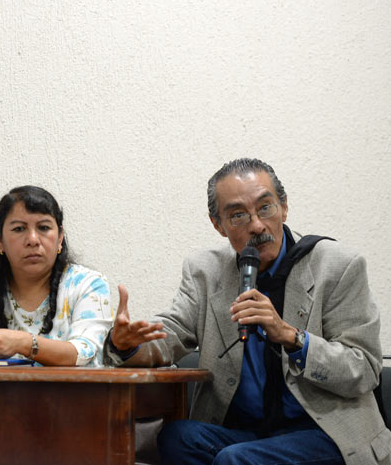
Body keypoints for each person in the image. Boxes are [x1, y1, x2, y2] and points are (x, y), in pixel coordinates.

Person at [104, 158, 390, 464]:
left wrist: (293, 338)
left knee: (235, 460)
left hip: (325, 433)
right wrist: (127, 344)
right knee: (177, 438)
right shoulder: (206, 270)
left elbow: (364, 368)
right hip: (251, 433)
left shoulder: (338, 266)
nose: (256, 225)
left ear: (284, 207)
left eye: (265, 207)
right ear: (218, 225)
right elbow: (173, 331)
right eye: (238, 215)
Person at [0, 185, 112, 366]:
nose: (32, 240)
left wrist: (24, 343)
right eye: (18, 229)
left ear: (60, 238)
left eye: (44, 227)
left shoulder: (87, 284)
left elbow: (83, 353)